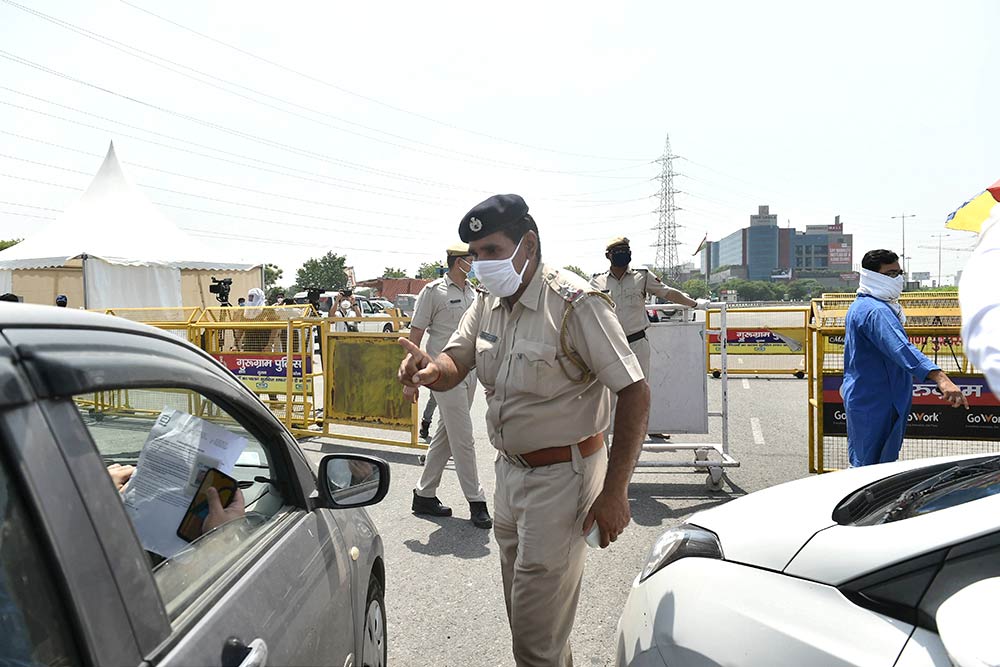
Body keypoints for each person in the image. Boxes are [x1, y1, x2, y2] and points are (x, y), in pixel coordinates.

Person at [397, 194, 649, 666]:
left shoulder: (575, 304)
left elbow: (634, 392)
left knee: (534, 641)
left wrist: (616, 492)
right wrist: (433, 371)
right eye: (474, 255)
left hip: (563, 478)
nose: (480, 264)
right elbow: (457, 358)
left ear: (527, 244)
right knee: (530, 621)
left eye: (491, 251)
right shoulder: (489, 303)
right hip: (509, 476)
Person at [843, 249, 968, 467]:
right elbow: (901, 348)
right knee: (868, 470)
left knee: (877, 465)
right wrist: (941, 378)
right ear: (873, 276)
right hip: (876, 400)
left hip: (874, 396)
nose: (898, 279)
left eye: (900, 273)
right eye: (891, 273)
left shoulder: (866, 305)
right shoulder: (876, 311)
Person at [404, 242, 491, 529]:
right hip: (441, 375)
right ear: (458, 261)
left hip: (469, 373)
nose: (475, 263)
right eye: (471, 259)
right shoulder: (433, 292)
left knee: (446, 434)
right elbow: (414, 338)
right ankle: (476, 501)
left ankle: (424, 494)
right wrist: (410, 380)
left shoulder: (473, 292)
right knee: (463, 437)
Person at [591, 237, 709, 380]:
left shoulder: (642, 275)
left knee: (639, 390)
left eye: (625, 250)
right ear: (607, 255)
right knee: (608, 392)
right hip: (609, 345)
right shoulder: (597, 281)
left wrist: (695, 304)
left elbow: (667, 292)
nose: (622, 253)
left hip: (637, 343)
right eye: (617, 251)